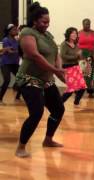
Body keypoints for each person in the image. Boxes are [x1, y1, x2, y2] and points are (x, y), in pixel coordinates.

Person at [15, 2, 66, 158]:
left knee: (58, 109)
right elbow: (35, 56)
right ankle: (21, 147)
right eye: (44, 22)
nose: (47, 25)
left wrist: (61, 73)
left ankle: (48, 139)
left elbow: (55, 55)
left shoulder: (48, 35)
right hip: (29, 79)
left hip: (45, 79)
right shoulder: (27, 32)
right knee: (36, 113)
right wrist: (55, 70)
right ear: (35, 20)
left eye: (48, 22)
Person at [60, 27, 87, 106]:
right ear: (68, 34)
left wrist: (82, 59)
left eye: (76, 33)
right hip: (68, 68)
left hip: (76, 67)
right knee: (71, 89)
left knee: (82, 87)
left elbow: (79, 56)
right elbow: (63, 56)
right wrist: (76, 56)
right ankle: (59, 103)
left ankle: (76, 101)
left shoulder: (76, 44)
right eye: (73, 33)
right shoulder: (64, 44)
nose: (75, 35)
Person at [0, 24, 21, 104]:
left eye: (16, 30)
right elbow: (10, 52)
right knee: (7, 80)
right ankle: (0, 99)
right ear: (9, 32)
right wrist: (17, 51)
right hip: (6, 63)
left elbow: (16, 50)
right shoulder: (6, 40)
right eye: (14, 30)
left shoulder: (16, 41)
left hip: (14, 63)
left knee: (22, 80)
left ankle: (17, 98)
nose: (16, 31)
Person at [78, 18, 94, 98]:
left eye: (88, 24)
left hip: (91, 55)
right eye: (86, 24)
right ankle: (80, 92)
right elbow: (75, 44)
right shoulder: (79, 33)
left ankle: (90, 91)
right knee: (83, 74)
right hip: (82, 55)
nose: (87, 25)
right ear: (82, 24)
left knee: (90, 74)